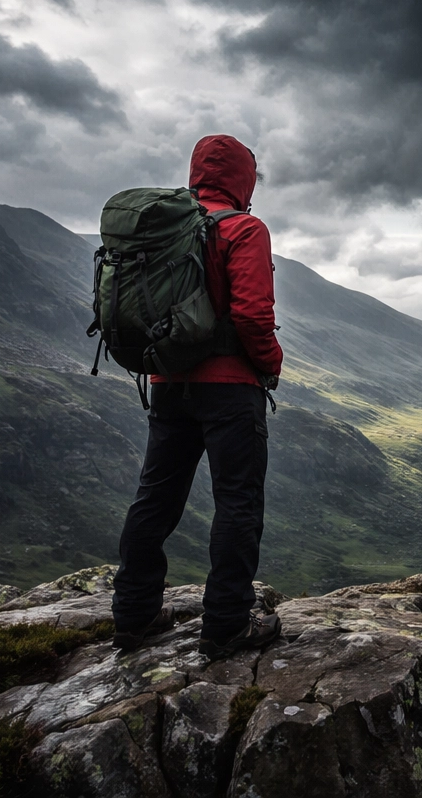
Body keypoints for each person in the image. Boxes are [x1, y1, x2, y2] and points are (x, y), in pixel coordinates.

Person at [110, 134, 284, 659]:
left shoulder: (163, 230)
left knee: (155, 497)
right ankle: (227, 623)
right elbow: (253, 315)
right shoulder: (243, 228)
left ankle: (133, 617)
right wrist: (270, 366)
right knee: (237, 502)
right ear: (243, 179)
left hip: (167, 384)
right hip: (230, 392)